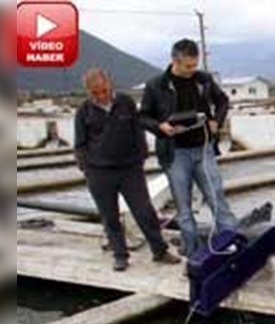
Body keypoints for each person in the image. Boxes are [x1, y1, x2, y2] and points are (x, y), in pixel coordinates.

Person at [73, 68, 181, 272]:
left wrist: (141, 156)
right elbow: (80, 144)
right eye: (95, 93)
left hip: (130, 168)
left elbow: (137, 129)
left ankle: (160, 251)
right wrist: (86, 168)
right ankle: (120, 255)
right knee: (109, 215)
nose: (101, 96)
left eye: (104, 90)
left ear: (110, 85)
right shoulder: (83, 112)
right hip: (99, 172)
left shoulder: (125, 102)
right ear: (88, 92)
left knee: (144, 211)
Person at [139, 38, 237, 259]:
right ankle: (193, 255)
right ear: (175, 61)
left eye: (195, 65)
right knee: (184, 208)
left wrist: (217, 122)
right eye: (188, 66)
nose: (193, 70)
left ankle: (231, 245)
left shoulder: (204, 80)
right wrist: (160, 127)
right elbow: (143, 116)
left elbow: (222, 101)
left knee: (217, 198)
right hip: (175, 154)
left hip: (204, 149)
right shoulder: (156, 85)